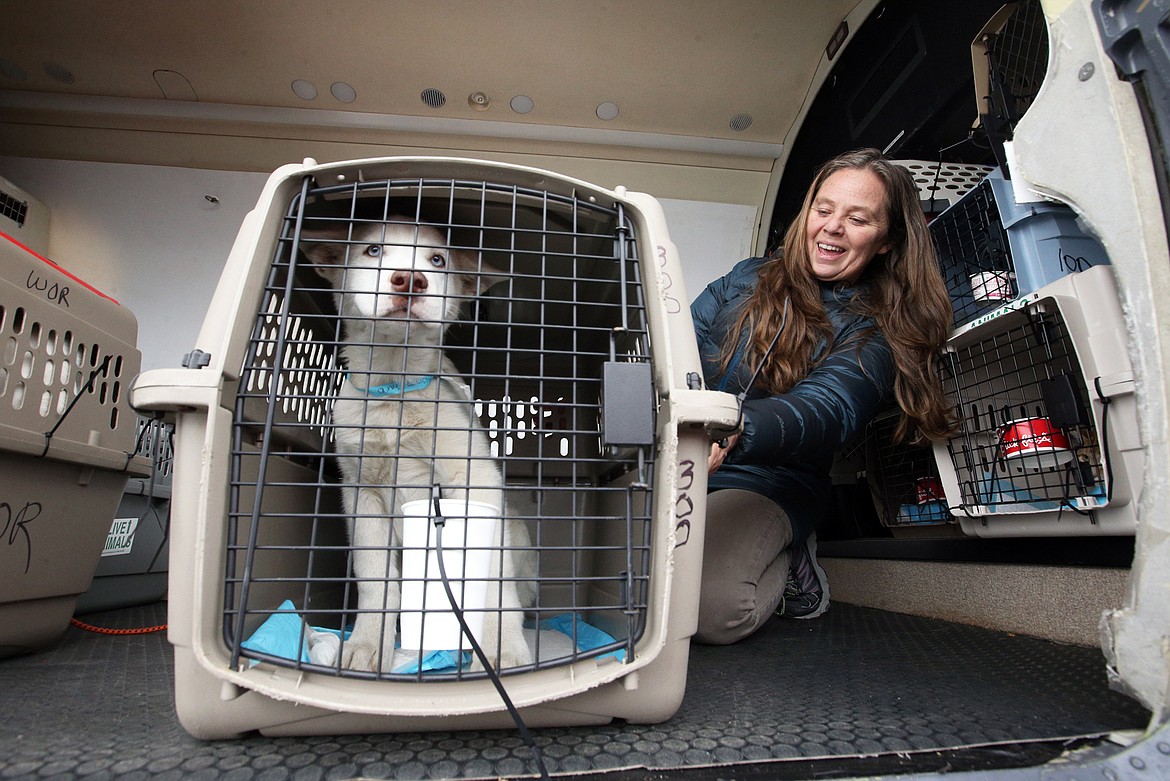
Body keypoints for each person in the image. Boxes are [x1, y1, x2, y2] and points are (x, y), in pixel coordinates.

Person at [691, 148, 955, 644]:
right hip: (683, 462)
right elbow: (676, 345)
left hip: (768, 481)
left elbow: (828, 409)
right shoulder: (744, 277)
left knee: (711, 610)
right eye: (824, 209)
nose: (833, 227)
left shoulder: (877, 325)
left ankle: (790, 557)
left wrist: (732, 428)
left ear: (885, 241)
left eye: (857, 219)